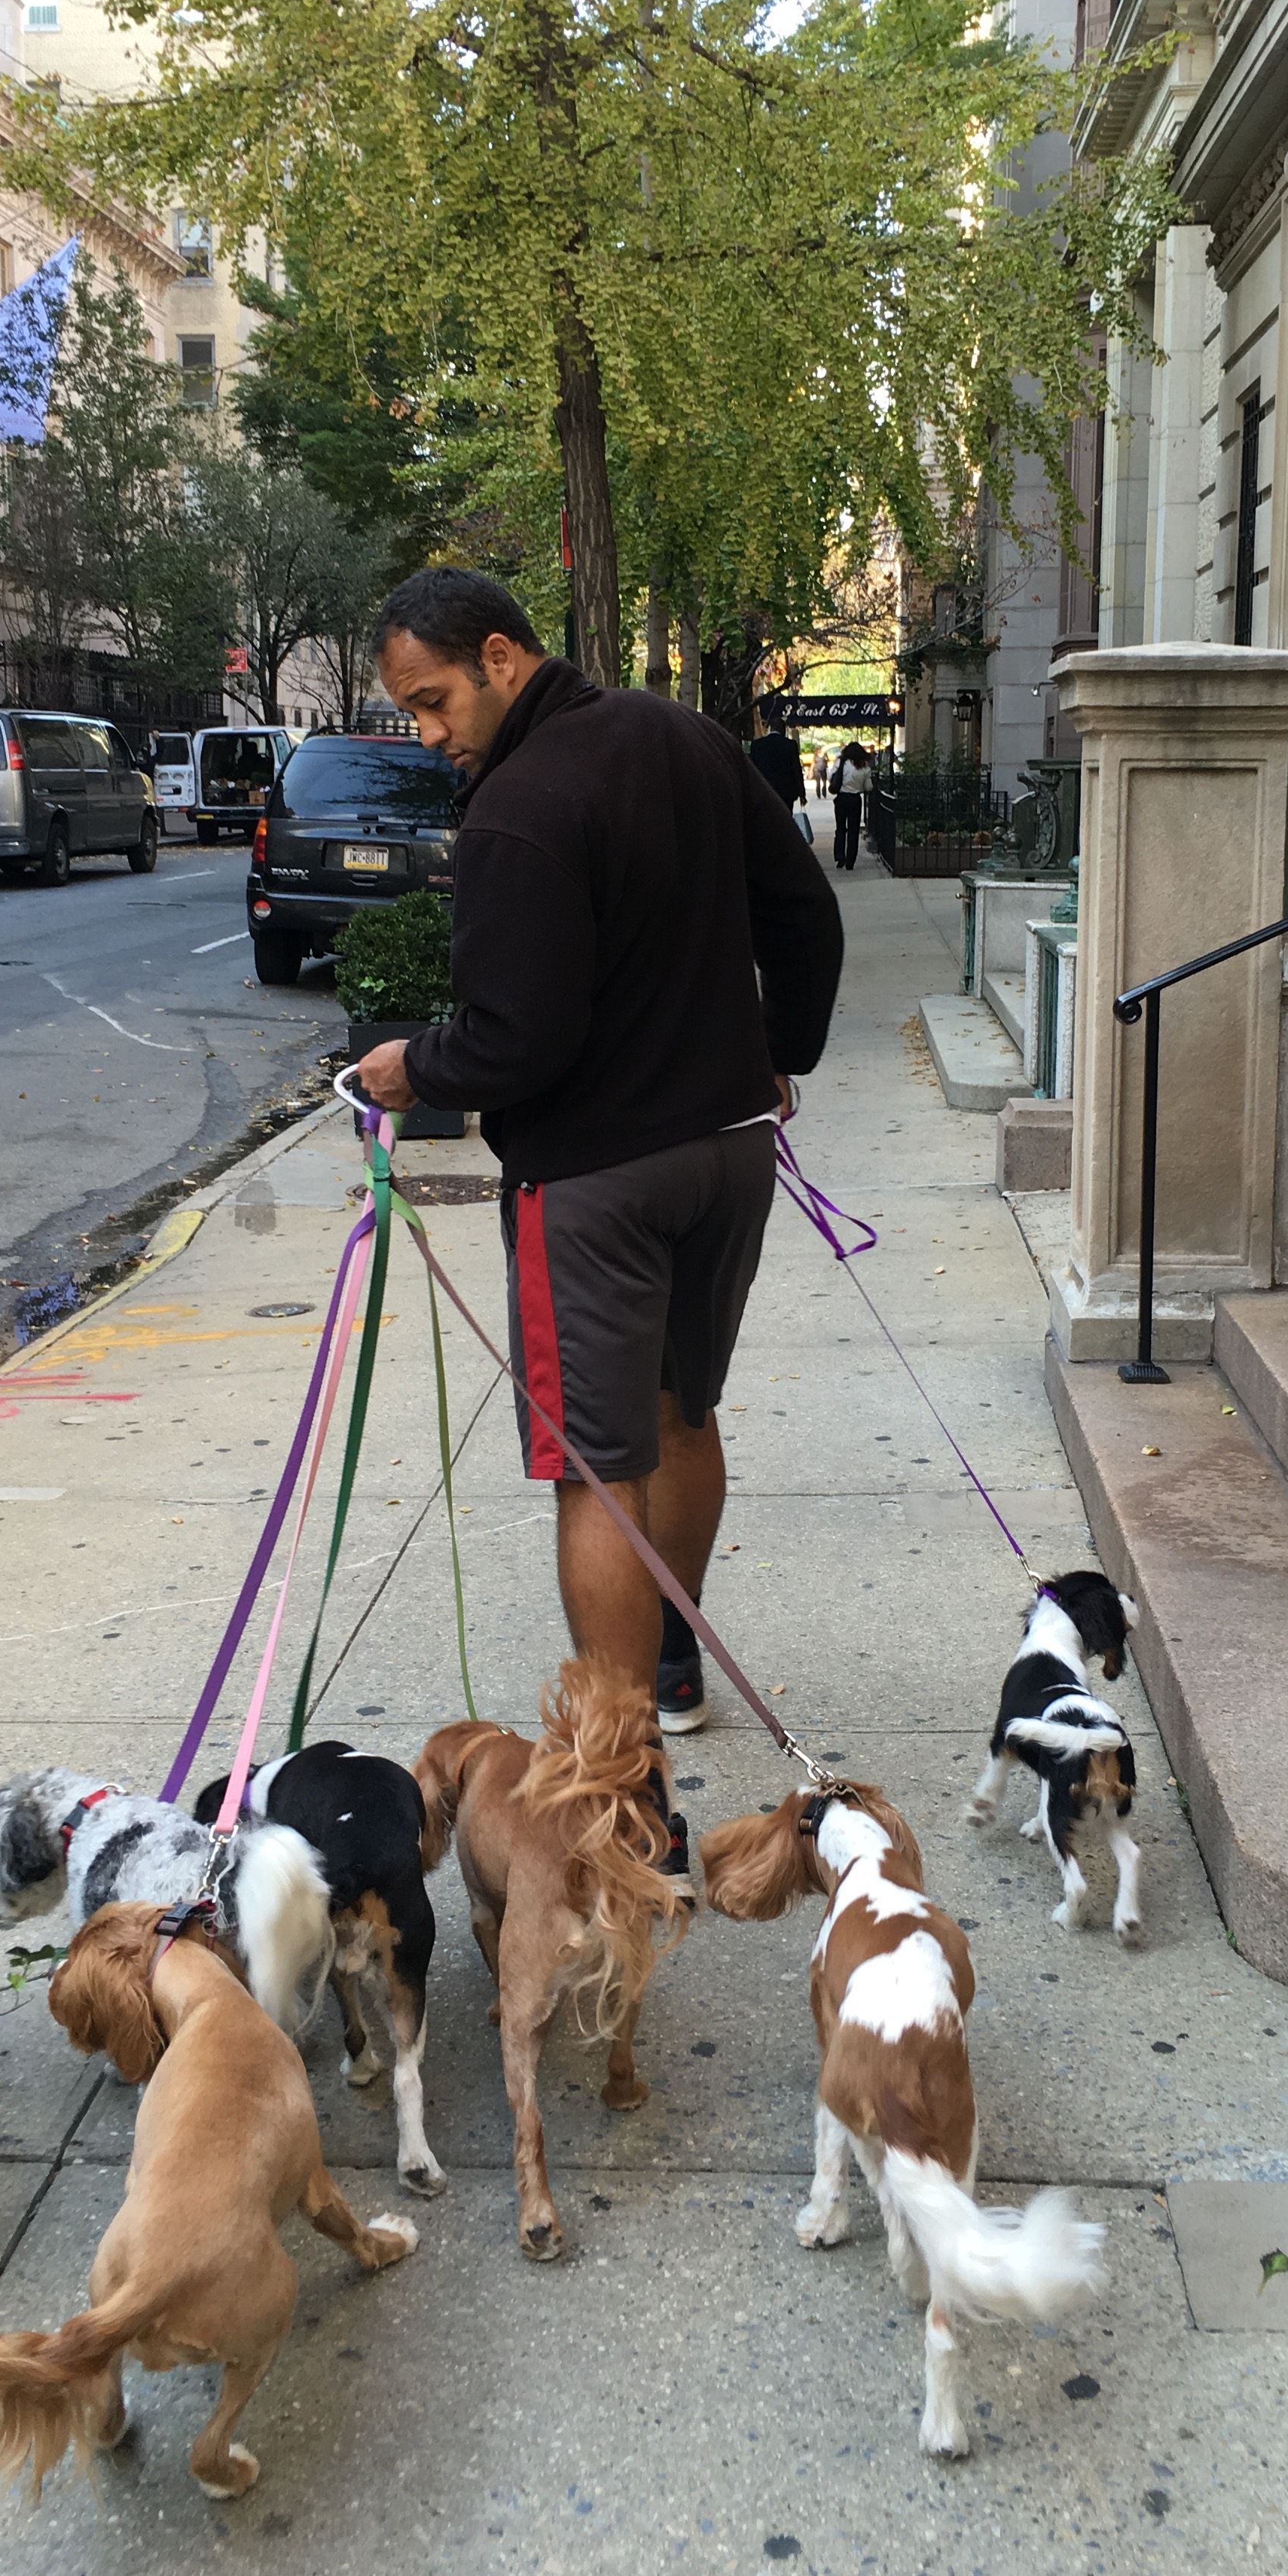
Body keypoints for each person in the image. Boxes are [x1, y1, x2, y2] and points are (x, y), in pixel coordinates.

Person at [352, 569, 844, 1735]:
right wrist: (783, 1054)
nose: (430, 735)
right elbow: (806, 915)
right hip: (727, 1154)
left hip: (593, 1184)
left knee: (595, 1467)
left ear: (503, 659)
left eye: (434, 701)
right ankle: (672, 1666)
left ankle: (624, 1781)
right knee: (682, 1415)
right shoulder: (686, 737)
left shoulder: (516, 812)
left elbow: (518, 1039)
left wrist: (411, 1068)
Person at [746, 694, 803, 814]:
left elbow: (752, 768)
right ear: (783, 730)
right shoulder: (790, 745)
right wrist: (802, 794)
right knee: (786, 820)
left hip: (764, 791)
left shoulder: (758, 745)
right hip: (786, 793)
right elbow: (796, 769)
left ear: (771, 728)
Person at [831, 743, 873, 871]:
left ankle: (840, 857)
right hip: (855, 799)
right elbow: (868, 787)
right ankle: (850, 861)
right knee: (853, 831)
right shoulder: (865, 767)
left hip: (842, 798)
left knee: (840, 829)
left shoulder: (841, 763)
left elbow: (831, 776)